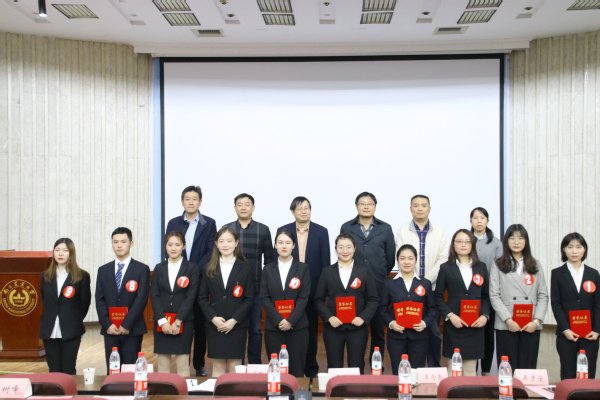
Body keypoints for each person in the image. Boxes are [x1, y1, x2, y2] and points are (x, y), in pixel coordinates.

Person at [166, 185, 216, 377]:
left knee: (200, 325)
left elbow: (210, 251)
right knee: (182, 322)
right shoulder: (173, 222)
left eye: (195, 199)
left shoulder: (208, 223)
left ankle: (199, 364)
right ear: (182, 201)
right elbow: (168, 247)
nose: (191, 202)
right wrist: (182, 271)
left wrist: (192, 270)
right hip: (178, 281)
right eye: (187, 199)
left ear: (200, 202)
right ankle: (183, 365)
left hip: (201, 278)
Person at [277, 196, 330, 377]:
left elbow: (325, 264)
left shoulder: (321, 232)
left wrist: (322, 292)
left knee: (311, 331)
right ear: (293, 212)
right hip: (287, 293)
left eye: (306, 207)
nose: (303, 211)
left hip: (312, 291)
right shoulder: (283, 231)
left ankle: (311, 369)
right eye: (299, 208)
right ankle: (290, 369)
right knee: (288, 330)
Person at [340, 192, 394, 366]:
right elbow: (343, 252)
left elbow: (390, 258)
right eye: (362, 203)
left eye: (369, 203)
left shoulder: (385, 228)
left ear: (375, 206)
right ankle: (358, 367)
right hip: (354, 286)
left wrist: (379, 273)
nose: (365, 206)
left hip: (378, 286)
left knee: (378, 330)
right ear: (356, 206)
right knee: (357, 330)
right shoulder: (347, 227)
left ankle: (376, 366)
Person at [314, 234, 379, 374]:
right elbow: (318, 299)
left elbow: (373, 299)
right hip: (333, 327)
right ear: (336, 249)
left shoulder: (364, 271)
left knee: (356, 366)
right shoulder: (327, 272)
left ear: (354, 248)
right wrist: (329, 317)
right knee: (334, 366)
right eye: (341, 247)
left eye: (348, 247)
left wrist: (363, 318)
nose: (345, 251)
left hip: (357, 327)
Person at [396, 194, 448, 367]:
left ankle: (433, 370)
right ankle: (410, 371)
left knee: (433, 333)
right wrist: (416, 283)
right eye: (416, 205)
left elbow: (443, 259)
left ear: (429, 209)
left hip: (432, 288)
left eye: (423, 205)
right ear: (410, 208)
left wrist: (424, 282)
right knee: (411, 331)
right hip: (409, 290)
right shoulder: (403, 230)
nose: (419, 208)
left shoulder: (440, 231)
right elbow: (402, 257)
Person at [223, 193, 275, 364]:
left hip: (256, 289)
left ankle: (254, 365)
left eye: (247, 204)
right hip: (231, 291)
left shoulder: (263, 230)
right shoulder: (227, 229)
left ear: (253, 207)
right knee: (235, 328)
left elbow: (269, 261)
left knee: (255, 330)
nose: (243, 207)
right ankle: (236, 364)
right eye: (240, 204)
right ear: (235, 208)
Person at [489, 224, 548, 370]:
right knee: (507, 369)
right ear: (506, 241)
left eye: (520, 238)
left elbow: (543, 295)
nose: (516, 242)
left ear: (526, 241)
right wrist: (508, 320)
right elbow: (494, 295)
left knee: (527, 369)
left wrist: (536, 321)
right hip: (506, 324)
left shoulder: (535, 264)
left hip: (530, 325)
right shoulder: (498, 264)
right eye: (512, 238)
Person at [198, 227, 254, 377]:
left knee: (235, 365)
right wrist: (213, 318)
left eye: (229, 241)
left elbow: (249, 298)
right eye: (221, 241)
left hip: (237, 325)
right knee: (217, 366)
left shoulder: (246, 267)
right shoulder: (209, 268)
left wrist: (234, 320)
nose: (225, 244)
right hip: (215, 325)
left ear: (236, 243)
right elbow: (202, 298)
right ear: (216, 244)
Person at [434, 229, 489, 376]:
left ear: (472, 245)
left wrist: (485, 315)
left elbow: (486, 296)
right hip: (455, 324)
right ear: (453, 244)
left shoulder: (481, 267)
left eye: (467, 242)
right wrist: (450, 315)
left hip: (475, 325)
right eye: (459, 241)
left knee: (471, 372)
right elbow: (438, 296)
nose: (463, 245)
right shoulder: (445, 268)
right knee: (454, 371)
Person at [95, 227, 150, 373]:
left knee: (130, 371)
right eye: (115, 242)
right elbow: (99, 300)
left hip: (132, 328)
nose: (119, 245)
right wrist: (107, 324)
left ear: (131, 243)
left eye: (123, 242)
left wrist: (126, 324)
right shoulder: (103, 270)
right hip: (110, 329)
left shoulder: (141, 269)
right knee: (112, 370)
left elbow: (141, 299)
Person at [260, 230, 311, 377]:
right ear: (275, 245)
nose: (284, 246)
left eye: (288, 243)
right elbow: (265, 297)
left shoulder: (303, 268)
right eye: (280, 242)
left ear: (293, 245)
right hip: (274, 327)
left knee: (297, 370)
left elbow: (303, 298)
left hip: (297, 327)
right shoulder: (268, 269)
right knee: (276, 371)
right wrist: (279, 320)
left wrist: (290, 320)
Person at [381, 244, 437, 374]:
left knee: (416, 374)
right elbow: (382, 309)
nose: (406, 262)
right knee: (398, 373)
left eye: (410, 258)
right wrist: (391, 323)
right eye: (402, 258)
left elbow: (432, 309)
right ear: (397, 260)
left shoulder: (425, 283)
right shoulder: (389, 283)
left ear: (416, 260)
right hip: (396, 337)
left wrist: (424, 323)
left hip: (419, 337)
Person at [551, 232, 600, 379]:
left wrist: (597, 330)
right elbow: (556, 303)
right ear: (564, 249)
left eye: (578, 247)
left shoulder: (593, 274)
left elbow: (598, 304)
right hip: (567, 334)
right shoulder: (557, 273)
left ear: (584, 249)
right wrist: (565, 329)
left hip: (590, 334)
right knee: (568, 374)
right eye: (570, 247)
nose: (574, 251)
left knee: (588, 375)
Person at [40, 238, 91, 375]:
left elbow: (85, 303)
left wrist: (72, 319)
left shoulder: (82, 276)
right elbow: (45, 301)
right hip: (50, 330)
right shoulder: (45, 276)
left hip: (71, 329)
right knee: (53, 370)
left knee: (69, 368)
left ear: (71, 253)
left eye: (65, 250)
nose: (60, 253)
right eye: (57, 250)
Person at [151, 231, 199, 377]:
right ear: (165, 246)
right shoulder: (159, 268)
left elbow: (190, 297)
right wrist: (162, 321)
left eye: (177, 244)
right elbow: (155, 295)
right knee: (163, 366)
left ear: (183, 246)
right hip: (162, 322)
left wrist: (178, 321)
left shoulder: (192, 268)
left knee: (182, 365)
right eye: (170, 244)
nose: (173, 248)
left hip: (183, 322)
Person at [469, 207, 502, 374]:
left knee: (488, 335)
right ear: (471, 221)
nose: (479, 221)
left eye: (482, 217)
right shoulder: (465, 240)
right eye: (475, 218)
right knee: (472, 334)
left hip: (489, 293)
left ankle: (486, 371)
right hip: (469, 294)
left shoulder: (496, 243)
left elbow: (501, 267)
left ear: (487, 220)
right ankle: (471, 370)